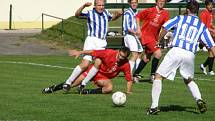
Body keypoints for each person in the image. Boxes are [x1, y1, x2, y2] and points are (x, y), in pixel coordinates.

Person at [146, 1, 215, 115]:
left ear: (187, 10)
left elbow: (165, 27)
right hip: (190, 55)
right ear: (197, 11)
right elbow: (211, 45)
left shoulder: (180, 18)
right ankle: (199, 99)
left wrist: (159, 40)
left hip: (176, 50)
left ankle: (154, 107)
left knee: (158, 76)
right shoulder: (201, 26)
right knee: (188, 79)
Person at [62, 0, 122, 91]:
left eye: (102, 5)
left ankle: (83, 84)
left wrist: (118, 14)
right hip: (91, 40)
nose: (101, 7)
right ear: (95, 6)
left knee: (98, 63)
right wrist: (84, 6)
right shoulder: (90, 13)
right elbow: (77, 15)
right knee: (85, 64)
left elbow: (112, 18)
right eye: (99, 5)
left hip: (101, 42)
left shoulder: (105, 13)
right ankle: (68, 82)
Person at [42, 47, 133, 94]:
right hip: (93, 70)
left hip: (103, 77)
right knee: (70, 85)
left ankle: (85, 91)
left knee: (109, 88)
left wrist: (128, 91)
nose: (120, 58)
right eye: (120, 55)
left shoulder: (126, 64)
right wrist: (80, 52)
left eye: (123, 57)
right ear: (118, 52)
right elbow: (92, 52)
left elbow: (129, 79)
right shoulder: (108, 53)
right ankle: (52, 89)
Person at [133, 0, 170, 81]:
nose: (161, 3)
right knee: (158, 53)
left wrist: (161, 38)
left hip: (154, 37)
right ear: (156, 2)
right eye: (160, 1)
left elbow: (166, 27)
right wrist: (138, 29)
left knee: (147, 57)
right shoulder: (150, 10)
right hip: (146, 36)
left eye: (163, 1)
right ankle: (153, 75)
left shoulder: (166, 13)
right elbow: (138, 16)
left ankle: (135, 75)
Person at [123, 0, 143, 79]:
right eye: (132, 3)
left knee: (140, 53)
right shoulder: (127, 13)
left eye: (135, 3)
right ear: (129, 3)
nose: (134, 4)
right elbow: (126, 27)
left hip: (134, 35)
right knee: (134, 54)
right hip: (129, 35)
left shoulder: (137, 12)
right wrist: (135, 32)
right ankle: (129, 74)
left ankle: (137, 72)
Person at [199, 0, 215, 76]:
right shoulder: (204, 13)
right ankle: (209, 69)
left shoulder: (211, 13)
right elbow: (203, 27)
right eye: (209, 5)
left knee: (211, 53)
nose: (211, 6)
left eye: (212, 5)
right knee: (212, 52)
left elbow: (210, 24)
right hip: (205, 36)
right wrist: (212, 30)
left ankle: (205, 66)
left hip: (211, 35)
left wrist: (213, 27)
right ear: (206, 6)